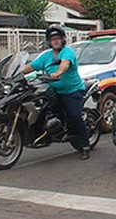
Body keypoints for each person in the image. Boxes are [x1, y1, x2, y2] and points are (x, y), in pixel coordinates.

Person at [22, 24, 90, 160]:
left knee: (74, 116)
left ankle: (85, 146)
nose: (56, 41)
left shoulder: (67, 52)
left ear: (63, 39)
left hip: (72, 91)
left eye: (58, 38)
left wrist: (58, 73)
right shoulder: (46, 56)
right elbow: (31, 66)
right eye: (53, 39)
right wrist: (16, 75)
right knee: (42, 107)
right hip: (53, 90)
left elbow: (65, 64)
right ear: (49, 41)